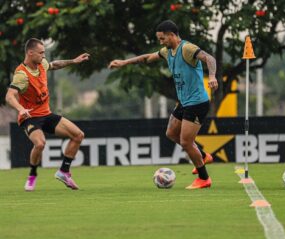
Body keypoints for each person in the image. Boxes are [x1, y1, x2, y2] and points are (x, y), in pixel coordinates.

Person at [109, 20, 218, 189]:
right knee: (171, 133)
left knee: (187, 142)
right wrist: (124, 62)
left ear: (172, 35)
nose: (161, 42)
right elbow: (147, 58)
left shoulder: (187, 48)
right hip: (183, 102)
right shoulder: (167, 51)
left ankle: (204, 179)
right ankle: (203, 156)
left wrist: (212, 76)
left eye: (162, 38)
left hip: (197, 103)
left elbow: (209, 58)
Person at [5, 38, 90, 191]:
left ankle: (64, 172)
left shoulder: (41, 64)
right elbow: (9, 96)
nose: (44, 56)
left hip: (46, 114)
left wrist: (74, 61)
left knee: (78, 135)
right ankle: (32, 175)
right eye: (41, 53)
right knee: (40, 144)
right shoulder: (22, 75)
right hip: (29, 117)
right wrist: (20, 109)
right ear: (30, 53)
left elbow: (54, 64)